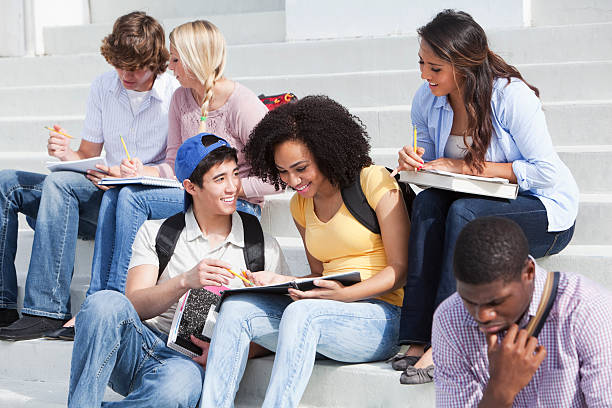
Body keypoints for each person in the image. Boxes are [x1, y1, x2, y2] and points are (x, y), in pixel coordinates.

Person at [389, 9, 579, 383]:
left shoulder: (511, 97)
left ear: (463, 66)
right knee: (427, 204)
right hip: (478, 203)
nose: (424, 75)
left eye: (435, 68)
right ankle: (415, 334)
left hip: (544, 210)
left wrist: (464, 167)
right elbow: (429, 158)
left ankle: (449, 339)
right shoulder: (426, 98)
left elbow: (545, 171)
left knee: (464, 213)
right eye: (421, 64)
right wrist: (414, 161)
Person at [200, 95, 410, 408]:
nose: (293, 181)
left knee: (303, 313)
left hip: (382, 316)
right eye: (282, 171)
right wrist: (280, 280)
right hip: (325, 311)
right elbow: (318, 275)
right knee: (237, 309)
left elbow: (400, 270)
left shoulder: (372, 180)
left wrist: (343, 296)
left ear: (325, 153)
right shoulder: (301, 204)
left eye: (301, 168)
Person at [68, 133, 289, 407]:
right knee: (103, 303)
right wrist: (185, 281)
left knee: (179, 388)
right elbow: (133, 304)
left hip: (187, 360)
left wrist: (227, 349)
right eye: (220, 179)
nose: (232, 187)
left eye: (234, 174)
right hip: (140, 344)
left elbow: (280, 323)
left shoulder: (261, 246)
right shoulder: (157, 232)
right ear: (190, 186)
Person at [83, 20, 275, 326]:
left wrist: (236, 188)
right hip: (194, 193)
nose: (169, 67)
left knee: (131, 198)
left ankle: (117, 307)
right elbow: (173, 165)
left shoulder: (241, 103)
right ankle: (97, 301)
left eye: (175, 59)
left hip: (235, 203)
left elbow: (279, 176)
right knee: (118, 191)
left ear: (194, 58)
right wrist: (139, 170)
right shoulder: (181, 98)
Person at [0, 11, 178, 341]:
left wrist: (132, 174)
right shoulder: (103, 86)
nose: (126, 74)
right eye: (119, 65)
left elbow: (178, 173)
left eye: (136, 67)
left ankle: (46, 311)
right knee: (6, 183)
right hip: (100, 189)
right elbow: (86, 155)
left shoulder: (174, 95)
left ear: (156, 62)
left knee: (59, 186)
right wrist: (66, 152)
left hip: (135, 203)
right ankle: (2, 303)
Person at [433, 216, 612, 407]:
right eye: (469, 301)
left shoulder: (588, 310)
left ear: (529, 273)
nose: (482, 315)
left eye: (496, 302)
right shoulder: (449, 319)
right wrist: (499, 390)